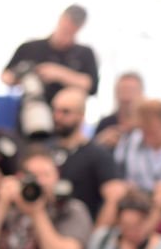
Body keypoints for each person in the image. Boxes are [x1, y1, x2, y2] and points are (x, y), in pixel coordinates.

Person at [46, 86, 122, 222]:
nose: (58, 117)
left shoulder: (98, 155)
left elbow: (114, 196)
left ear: (81, 115)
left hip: (81, 229)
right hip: (47, 224)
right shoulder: (45, 150)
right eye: (55, 110)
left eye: (65, 112)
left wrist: (96, 237)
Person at [2, 4, 99, 105]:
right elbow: (6, 76)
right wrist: (25, 75)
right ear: (61, 19)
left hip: (69, 111)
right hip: (32, 106)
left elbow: (91, 87)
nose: (68, 28)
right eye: (67, 24)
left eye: (73, 27)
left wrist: (59, 74)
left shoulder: (85, 53)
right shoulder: (30, 48)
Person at [94, 72, 144, 149]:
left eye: (131, 90)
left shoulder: (148, 124)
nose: (126, 96)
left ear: (141, 93)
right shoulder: (106, 123)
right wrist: (101, 141)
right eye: (123, 91)